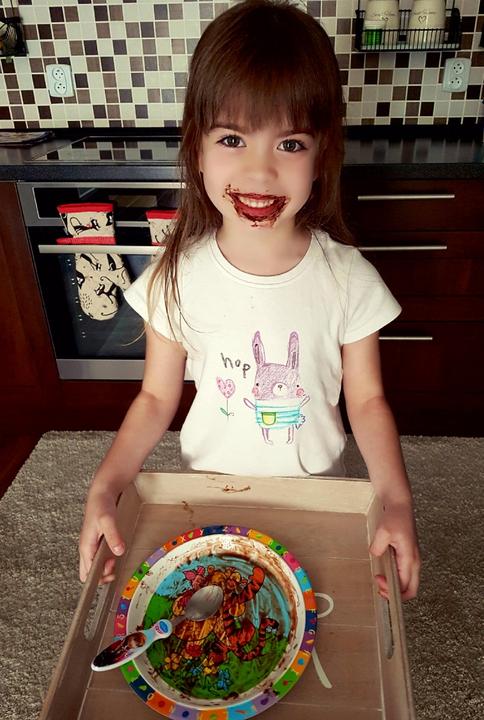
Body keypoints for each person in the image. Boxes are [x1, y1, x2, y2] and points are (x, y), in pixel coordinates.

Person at [79, 0, 420, 600]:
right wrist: (105, 485)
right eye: (233, 138)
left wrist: (395, 499)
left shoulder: (348, 278)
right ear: (197, 146)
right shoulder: (175, 276)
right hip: (209, 497)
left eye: (289, 144)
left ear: (322, 154)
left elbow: (367, 401)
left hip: (319, 496)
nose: (260, 172)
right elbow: (156, 397)